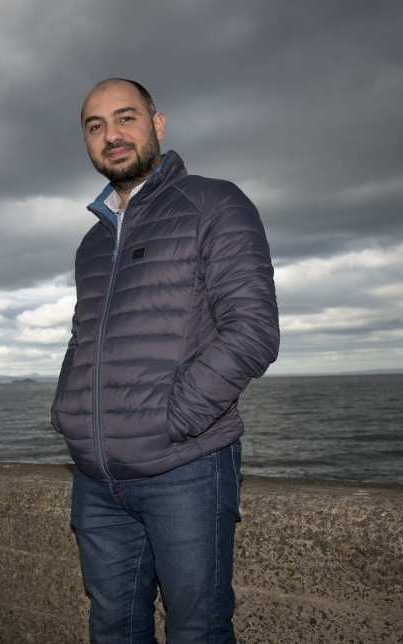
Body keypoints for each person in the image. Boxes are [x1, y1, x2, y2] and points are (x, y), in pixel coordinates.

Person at [51, 78, 280, 643]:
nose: (112, 136)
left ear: (157, 124)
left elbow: (253, 331)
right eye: (95, 126)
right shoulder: (91, 242)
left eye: (125, 118)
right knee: (113, 629)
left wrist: (172, 420)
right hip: (97, 480)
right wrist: (70, 416)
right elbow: (83, 340)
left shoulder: (213, 202)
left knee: (196, 631)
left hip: (187, 469)